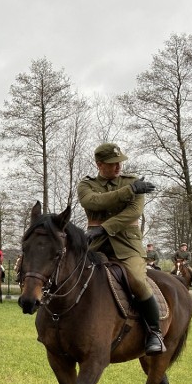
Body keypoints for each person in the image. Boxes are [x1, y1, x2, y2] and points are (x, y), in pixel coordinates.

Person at [78, 142, 164, 354]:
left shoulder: (134, 182)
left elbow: (133, 212)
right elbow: (94, 203)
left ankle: (154, 332)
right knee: (70, 273)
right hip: (95, 246)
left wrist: (105, 228)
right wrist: (128, 191)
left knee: (136, 279)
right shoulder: (86, 185)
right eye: (112, 163)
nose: (118, 167)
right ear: (99, 165)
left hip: (127, 246)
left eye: (119, 163)